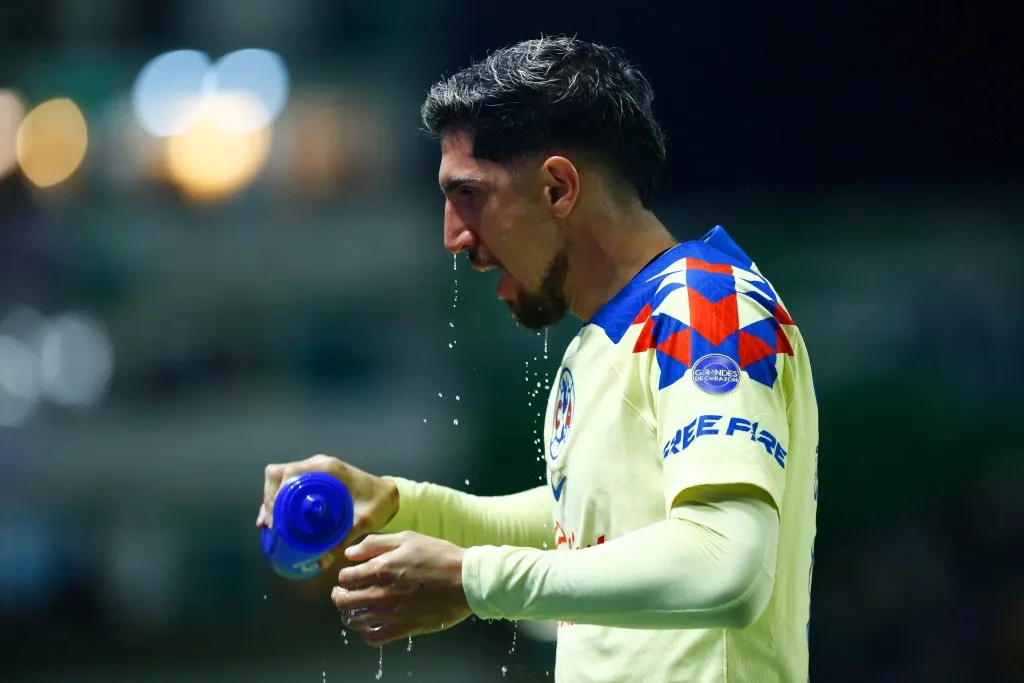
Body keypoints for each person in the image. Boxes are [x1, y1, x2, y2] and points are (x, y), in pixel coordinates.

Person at [258, 36, 819, 683]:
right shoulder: (607, 339)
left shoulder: (708, 309)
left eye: (468, 195)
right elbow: (579, 528)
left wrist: (474, 580)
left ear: (557, 188)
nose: (452, 236)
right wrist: (394, 505)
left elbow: (727, 565)